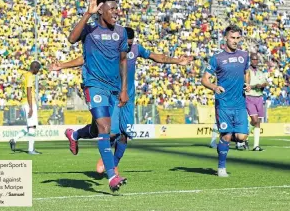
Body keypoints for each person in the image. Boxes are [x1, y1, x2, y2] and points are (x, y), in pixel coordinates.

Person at [50, 27, 192, 174]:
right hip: (111, 94)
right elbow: (85, 58)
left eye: (130, 43)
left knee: (125, 135)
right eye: (126, 43)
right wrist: (62, 65)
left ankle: (112, 164)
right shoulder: (110, 48)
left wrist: (177, 61)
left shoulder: (137, 49)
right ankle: (96, 151)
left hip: (128, 98)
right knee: (108, 132)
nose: (128, 46)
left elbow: (158, 57)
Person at [64, 0, 129, 192]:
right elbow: (71, 39)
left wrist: (124, 89)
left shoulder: (121, 32)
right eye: (112, 9)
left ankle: (74, 134)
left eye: (117, 8)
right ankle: (112, 177)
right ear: (100, 11)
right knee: (105, 126)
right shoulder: (90, 29)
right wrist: (86, 14)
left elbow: (123, 61)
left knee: (98, 130)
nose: (116, 12)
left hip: (113, 89)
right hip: (94, 85)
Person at [201, 25, 251, 177]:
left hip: (240, 103)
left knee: (242, 137)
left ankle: (222, 144)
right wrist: (214, 87)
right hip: (223, 103)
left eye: (237, 38)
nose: (235, 41)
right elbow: (204, 79)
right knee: (227, 135)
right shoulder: (217, 58)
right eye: (232, 38)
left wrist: (247, 83)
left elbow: (246, 72)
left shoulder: (244, 55)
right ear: (225, 38)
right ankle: (221, 168)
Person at [9, 61, 42, 155]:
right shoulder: (30, 76)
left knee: (30, 126)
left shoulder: (24, 75)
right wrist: (31, 107)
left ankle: (14, 139)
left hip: (24, 102)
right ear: (35, 68)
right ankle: (31, 149)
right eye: (38, 69)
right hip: (29, 103)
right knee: (32, 127)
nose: (38, 71)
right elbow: (28, 91)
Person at [245, 53, 267, 151]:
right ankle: (244, 137)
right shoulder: (247, 71)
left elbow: (265, 82)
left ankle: (256, 145)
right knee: (254, 120)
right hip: (250, 97)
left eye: (256, 59)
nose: (255, 61)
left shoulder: (260, 72)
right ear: (250, 60)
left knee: (258, 121)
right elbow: (245, 85)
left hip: (259, 97)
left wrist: (262, 85)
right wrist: (255, 86)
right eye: (253, 59)